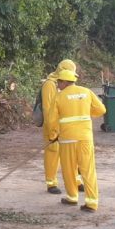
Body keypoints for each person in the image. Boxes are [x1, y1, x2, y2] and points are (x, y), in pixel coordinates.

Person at [44, 68, 106, 211]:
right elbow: (102, 110)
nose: (58, 85)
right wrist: (86, 113)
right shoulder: (86, 92)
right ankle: (92, 202)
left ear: (65, 82)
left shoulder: (59, 97)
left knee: (69, 170)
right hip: (85, 139)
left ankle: (72, 197)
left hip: (67, 140)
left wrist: (52, 136)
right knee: (88, 169)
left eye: (59, 82)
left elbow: (51, 120)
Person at [41, 59, 77, 194]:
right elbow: (47, 109)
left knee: (71, 153)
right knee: (53, 152)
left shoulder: (69, 83)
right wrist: (53, 129)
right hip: (52, 125)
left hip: (66, 125)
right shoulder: (50, 84)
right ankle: (51, 183)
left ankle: (76, 181)